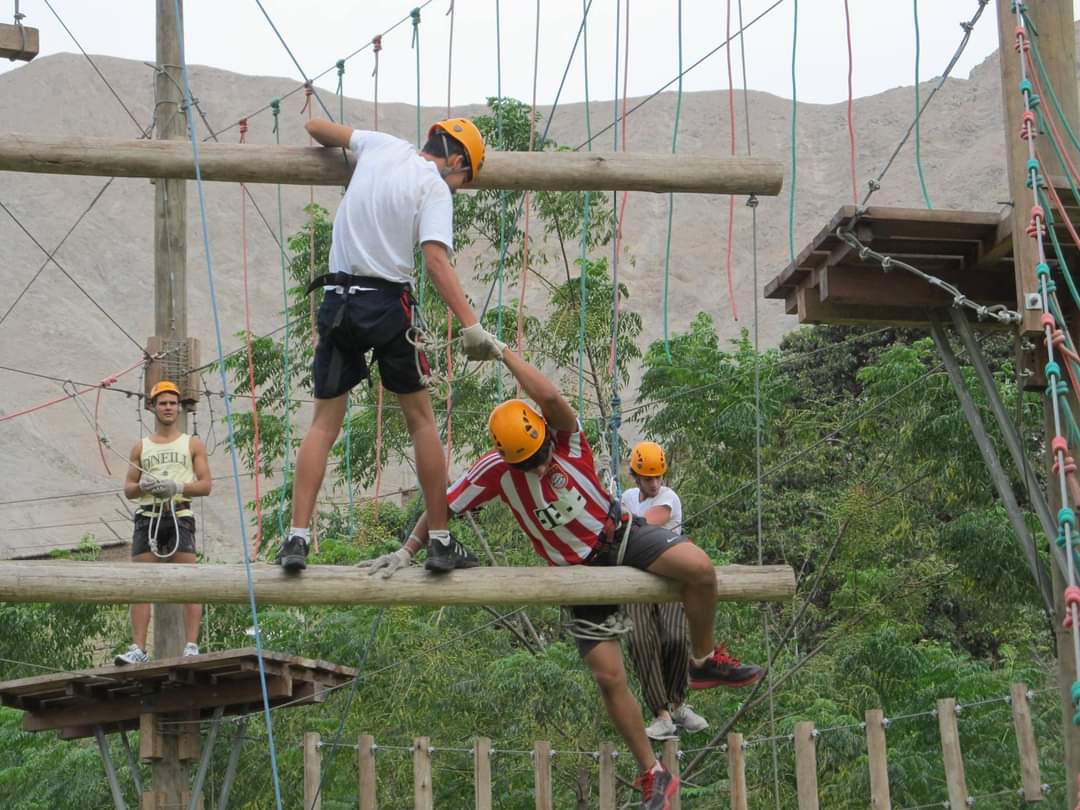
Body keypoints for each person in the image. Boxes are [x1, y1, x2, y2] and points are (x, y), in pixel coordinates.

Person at [360, 344, 763, 810]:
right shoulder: (494, 472)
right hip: (575, 574)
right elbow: (443, 505)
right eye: (527, 462)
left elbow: (550, 397)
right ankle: (653, 772)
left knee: (700, 569)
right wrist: (409, 550)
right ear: (508, 459)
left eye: (540, 453)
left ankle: (703, 659)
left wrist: (501, 353)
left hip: (621, 535)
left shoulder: (565, 436)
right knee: (609, 677)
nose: (539, 464)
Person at [276, 116, 503, 573]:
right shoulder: (434, 188)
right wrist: (471, 325)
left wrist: (345, 149)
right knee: (421, 422)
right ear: (455, 160)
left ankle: (296, 538)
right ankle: (439, 540)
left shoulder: (381, 145)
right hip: (385, 305)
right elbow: (436, 262)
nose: (456, 189)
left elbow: (316, 126)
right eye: (463, 180)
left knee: (323, 424)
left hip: (338, 301)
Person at [621, 442, 712, 741]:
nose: (655, 483)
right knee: (640, 641)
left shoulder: (668, 497)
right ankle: (661, 714)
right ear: (636, 477)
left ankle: (678, 704)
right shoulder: (627, 497)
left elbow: (645, 526)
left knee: (673, 637)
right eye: (648, 478)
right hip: (635, 578)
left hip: (669, 578)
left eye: (658, 477)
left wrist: (620, 522)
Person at [116, 381, 211, 664]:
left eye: (172, 403)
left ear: (178, 406)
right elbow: (129, 489)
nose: (168, 407)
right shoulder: (141, 447)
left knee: (189, 581)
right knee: (141, 583)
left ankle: (191, 645)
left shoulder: (191, 443)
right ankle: (138, 648)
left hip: (179, 514)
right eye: (162, 403)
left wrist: (177, 486)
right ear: (153, 407)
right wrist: (144, 485)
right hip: (149, 516)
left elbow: (205, 485)